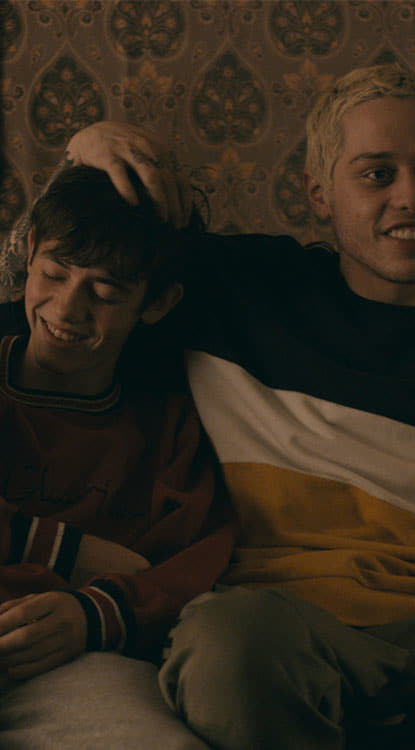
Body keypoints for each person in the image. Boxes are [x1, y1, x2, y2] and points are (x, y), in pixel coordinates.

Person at [2, 63, 415, 748]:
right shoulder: (238, 290)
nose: (411, 197)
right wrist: (85, 149)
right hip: (284, 626)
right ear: (318, 194)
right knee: (228, 645)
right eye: (377, 174)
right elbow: (60, 284)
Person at [0, 165, 234, 749]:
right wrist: (64, 549)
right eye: (54, 273)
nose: (67, 309)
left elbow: (189, 567)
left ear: (157, 302)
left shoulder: (167, 426)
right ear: (30, 250)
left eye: (105, 292)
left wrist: (94, 615)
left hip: (77, 660)